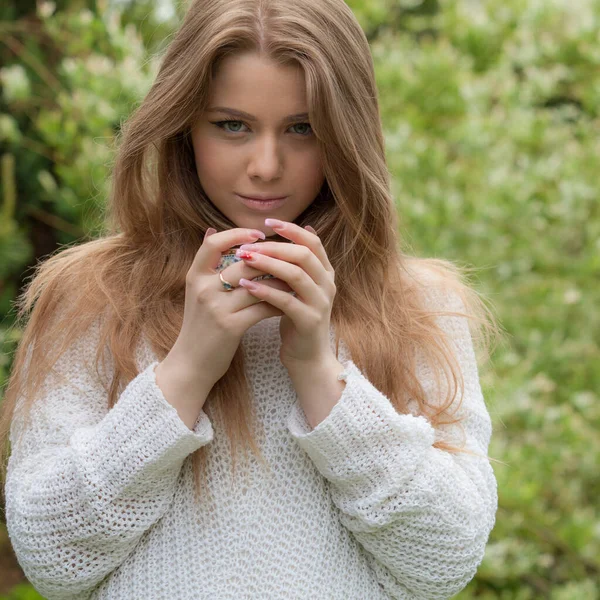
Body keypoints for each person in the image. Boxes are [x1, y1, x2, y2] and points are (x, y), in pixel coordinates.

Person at [0, 0, 506, 598]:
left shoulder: (418, 304)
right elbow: (50, 554)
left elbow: (444, 559)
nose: (266, 167)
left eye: (303, 128)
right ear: (183, 126)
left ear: (346, 134)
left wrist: (320, 373)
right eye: (232, 125)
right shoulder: (92, 294)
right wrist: (186, 369)